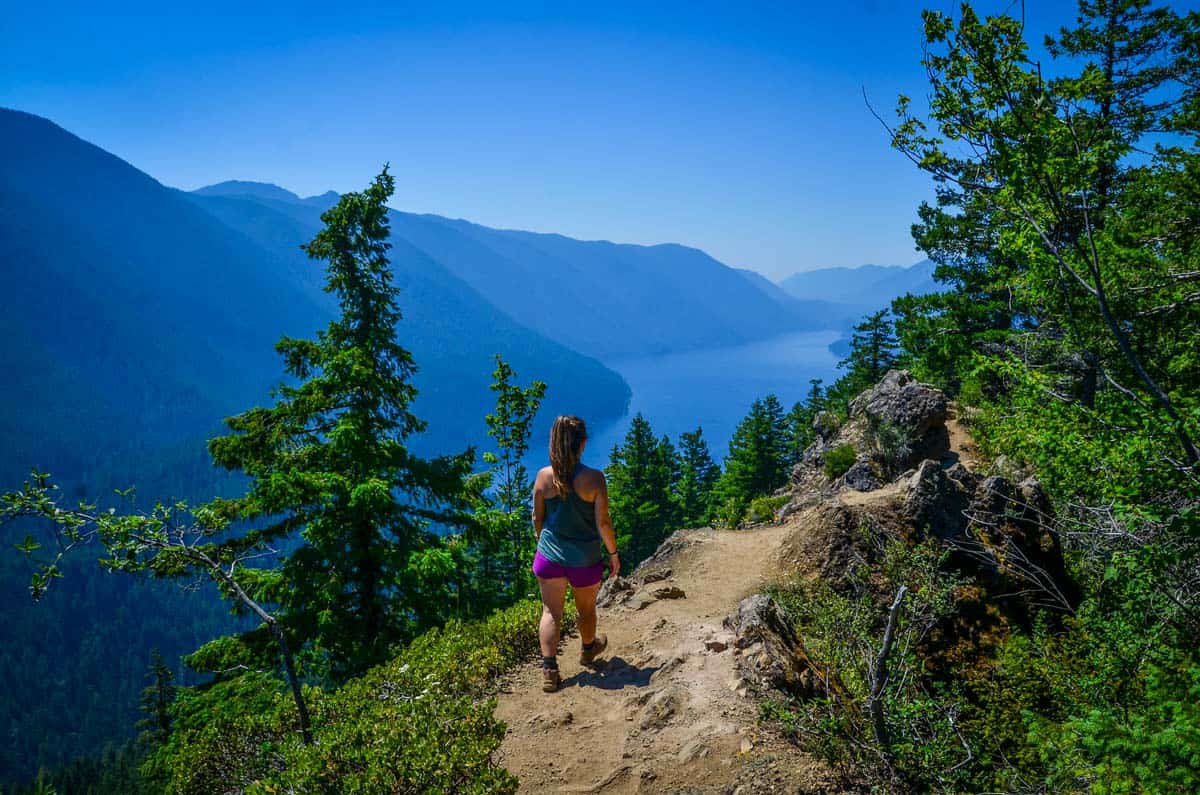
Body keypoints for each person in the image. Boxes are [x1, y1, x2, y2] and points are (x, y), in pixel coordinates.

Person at [531, 415, 620, 692]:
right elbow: (603, 523)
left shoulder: (544, 477)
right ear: (582, 443)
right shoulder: (594, 479)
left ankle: (549, 669)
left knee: (550, 612)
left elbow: (537, 518)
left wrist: (542, 541)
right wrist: (613, 554)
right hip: (584, 559)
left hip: (549, 557)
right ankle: (588, 650)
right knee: (585, 609)